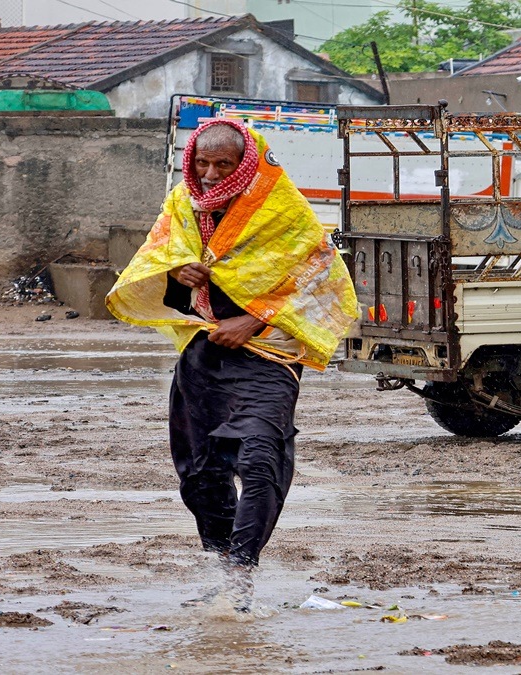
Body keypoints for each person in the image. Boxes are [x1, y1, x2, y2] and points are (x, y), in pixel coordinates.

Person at [107, 119, 357, 611]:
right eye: (202, 163)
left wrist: (253, 319)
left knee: (260, 459)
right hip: (204, 354)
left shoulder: (283, 208)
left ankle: (242, 571)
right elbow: (161, 270)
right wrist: (179, 273)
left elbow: (321, 278)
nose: (212, 174)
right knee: (200, 473)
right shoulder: (182, 203)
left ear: (247, 161)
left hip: (270, 354)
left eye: (224, 164)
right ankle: (220, 567)